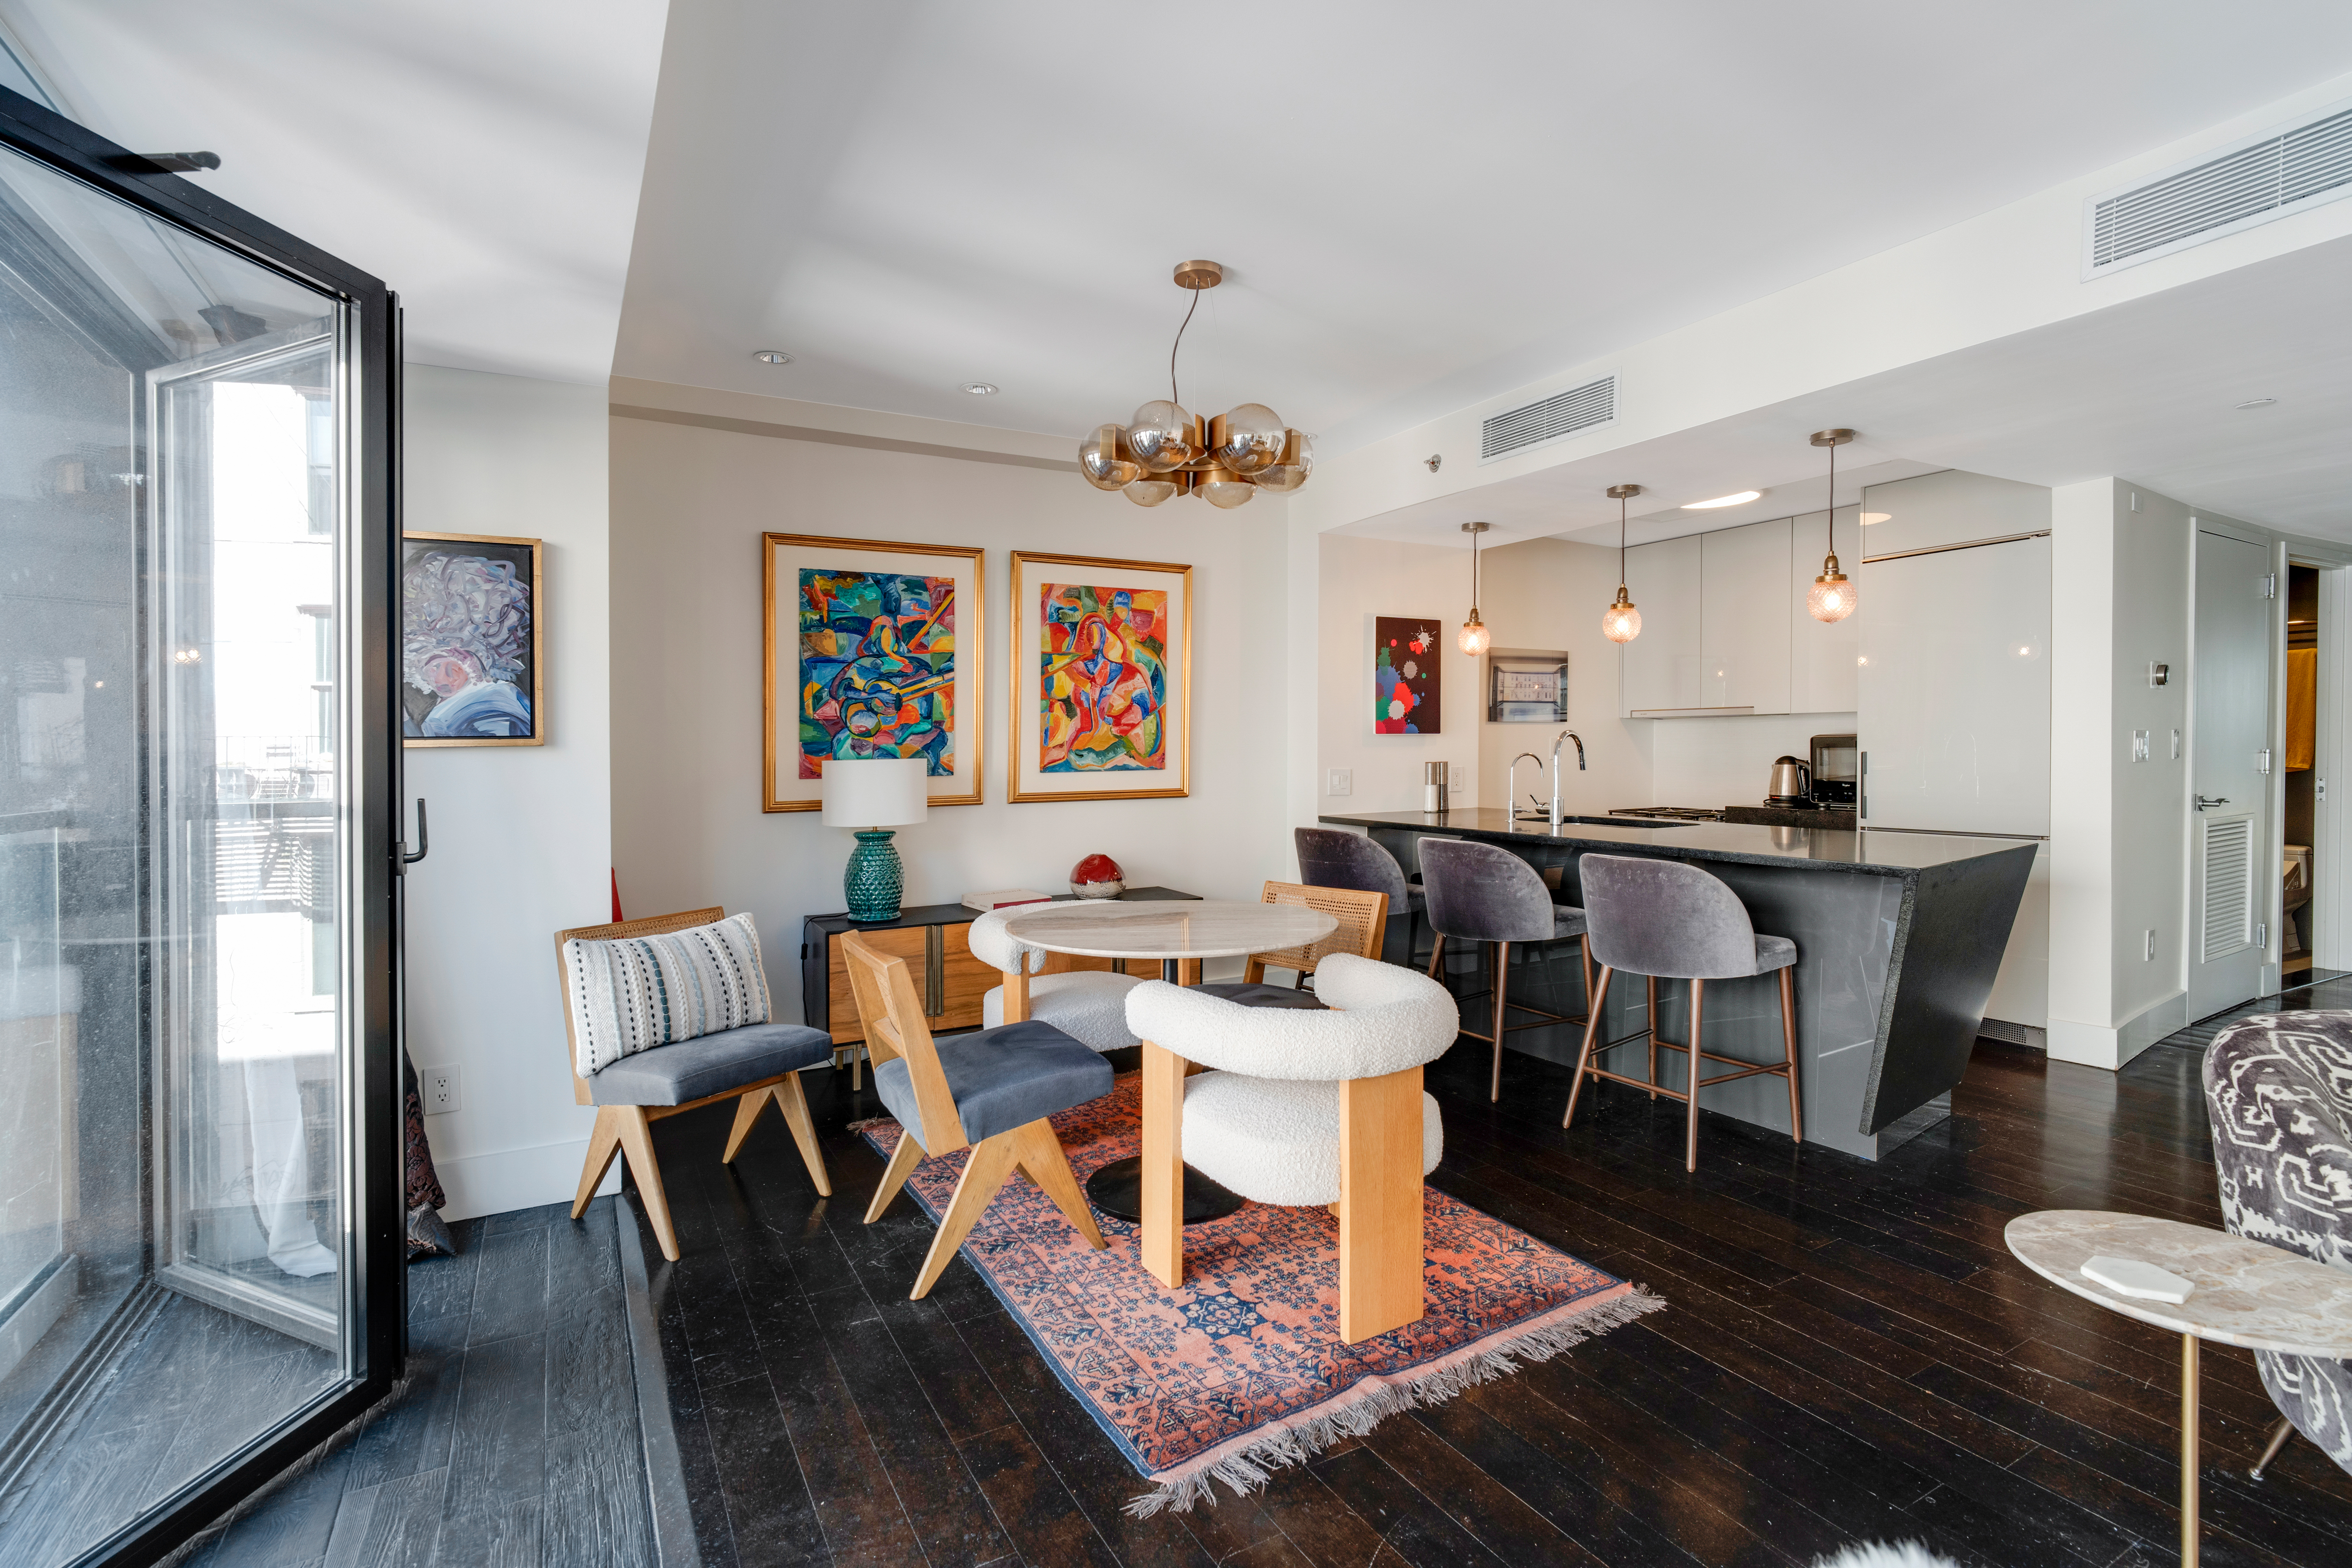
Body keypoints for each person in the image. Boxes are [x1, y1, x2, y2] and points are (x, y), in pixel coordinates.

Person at [402, 549, 532, 738]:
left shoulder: (492, 706)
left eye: (450, 666)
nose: (440, 679)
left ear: (473, 661)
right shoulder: (465, 699)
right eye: (430, 668)